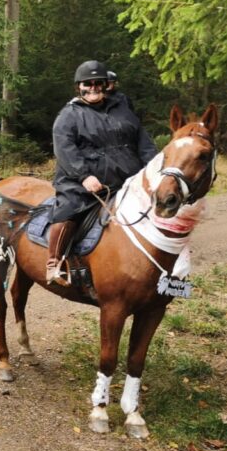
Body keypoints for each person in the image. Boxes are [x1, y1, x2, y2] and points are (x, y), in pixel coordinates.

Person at [48, 60, 158, 285]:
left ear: (106, 85)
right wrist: (84, 176)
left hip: (128, 178)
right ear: (78, 87)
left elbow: (143, 142)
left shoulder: (122, 110)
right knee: (69, 210)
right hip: (83, 181)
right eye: (87, 84)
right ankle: (54, 262)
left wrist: (153, 169)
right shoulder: (68, 115)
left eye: (98, 83)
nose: (93, 88)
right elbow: (65, 150)